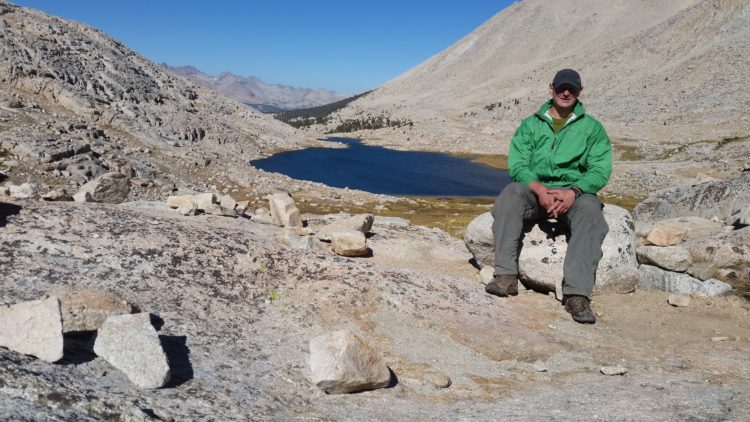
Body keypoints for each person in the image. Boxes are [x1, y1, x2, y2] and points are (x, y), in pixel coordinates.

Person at [486, 69, 612, 324]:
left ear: (579, 92)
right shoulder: (531, 125)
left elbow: (600, 169)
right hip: (536, 193)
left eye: (572, 89)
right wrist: (540, 190)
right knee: (510, 195)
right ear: (551, 88)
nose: (566, 93)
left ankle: (577, 294)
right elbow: (518, 164)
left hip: (574, 194)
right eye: (561, 88)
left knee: (590, 212)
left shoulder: (592, 128)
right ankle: (506, 276)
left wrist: (573, 191)